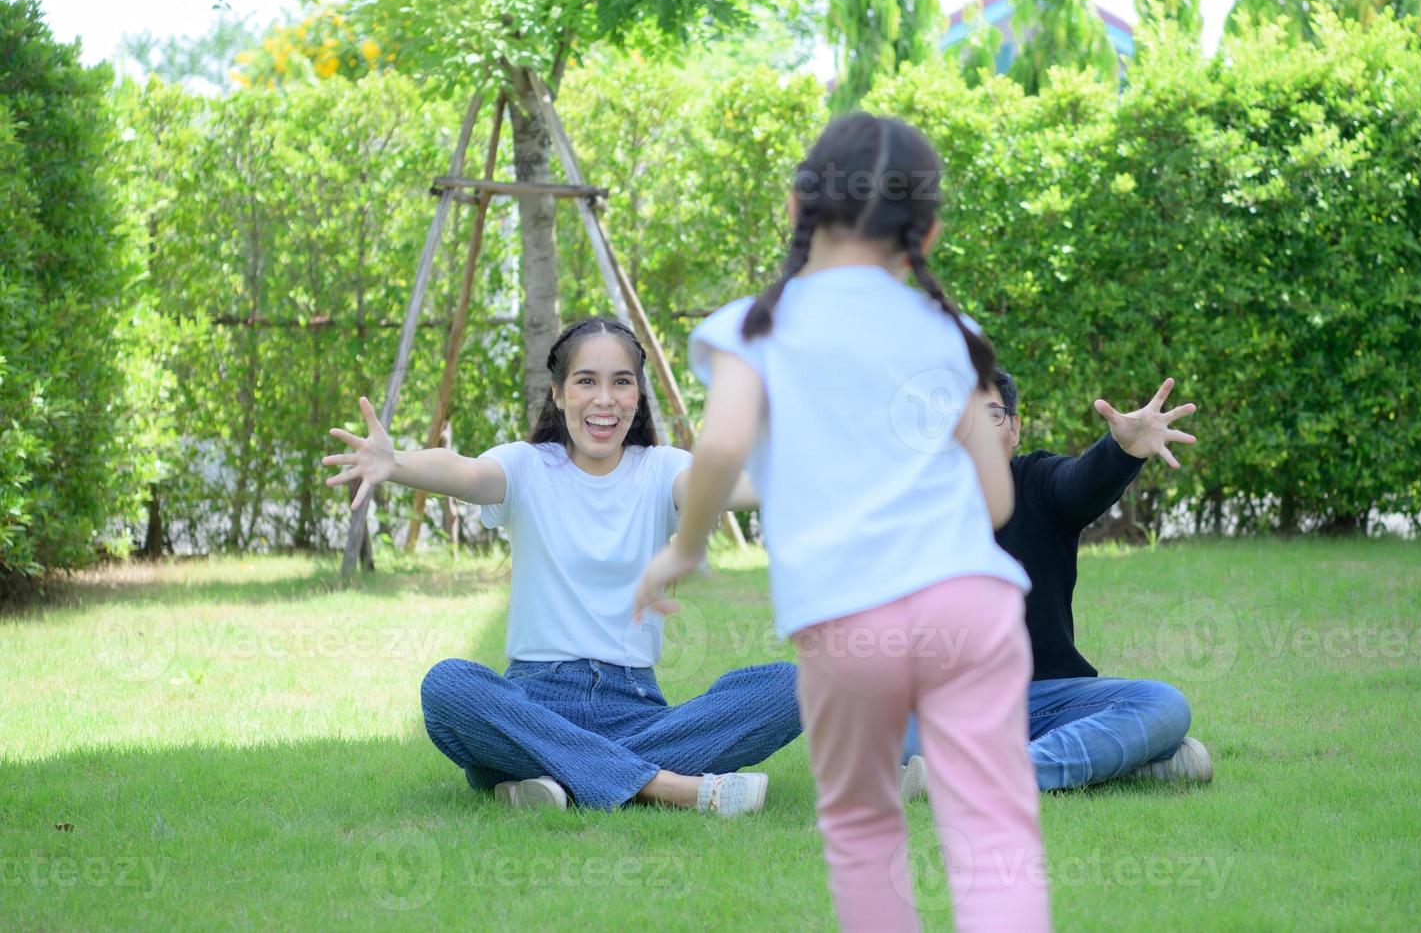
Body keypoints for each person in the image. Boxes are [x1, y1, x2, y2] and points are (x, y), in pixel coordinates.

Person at [634, 114, 1050, 931]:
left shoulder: (751, 326)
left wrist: (684, 550)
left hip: (847, 620)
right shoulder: (952, 334)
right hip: (973, 605)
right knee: (993, 826)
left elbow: (719, 445)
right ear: (925, 231)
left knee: (864, 828)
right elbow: (996, 503)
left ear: (797, 206)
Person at [322, 316, 800, 816]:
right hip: (534, 703)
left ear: (637, 396)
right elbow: (465, 472)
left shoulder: (662, 469)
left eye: (621, 382)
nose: (605, 398)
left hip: (635, 710)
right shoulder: (528, 465)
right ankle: (665, 786)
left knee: (790, 688)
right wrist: (396, 462)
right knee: (448, 686)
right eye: (586, 381)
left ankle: (549, 778)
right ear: (558, 392)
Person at [899, 368, 1214, 797]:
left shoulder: (1039, 482)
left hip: (1052, 700)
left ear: (1014, 428)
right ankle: (1118, 764)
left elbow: (1080, 485)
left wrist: (1122, 451)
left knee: (1164, 705)